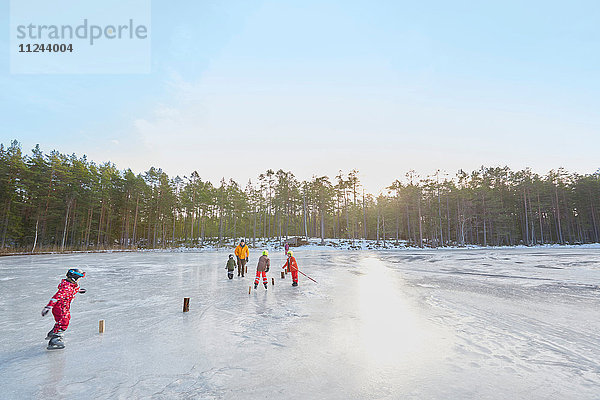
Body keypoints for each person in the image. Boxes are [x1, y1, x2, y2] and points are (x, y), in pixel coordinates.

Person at [42, 268, 86, 350]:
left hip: (63, 307)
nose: (79, 280)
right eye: (79, 278)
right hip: (60, 308)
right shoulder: (66, 289)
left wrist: (79, 290)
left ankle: (53, 332)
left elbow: (73, 289)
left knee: (65, 319)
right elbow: (56, 297)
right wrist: (48, 306)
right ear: (74, 278)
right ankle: (55, 339)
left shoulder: (70, 286)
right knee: (64, 321)